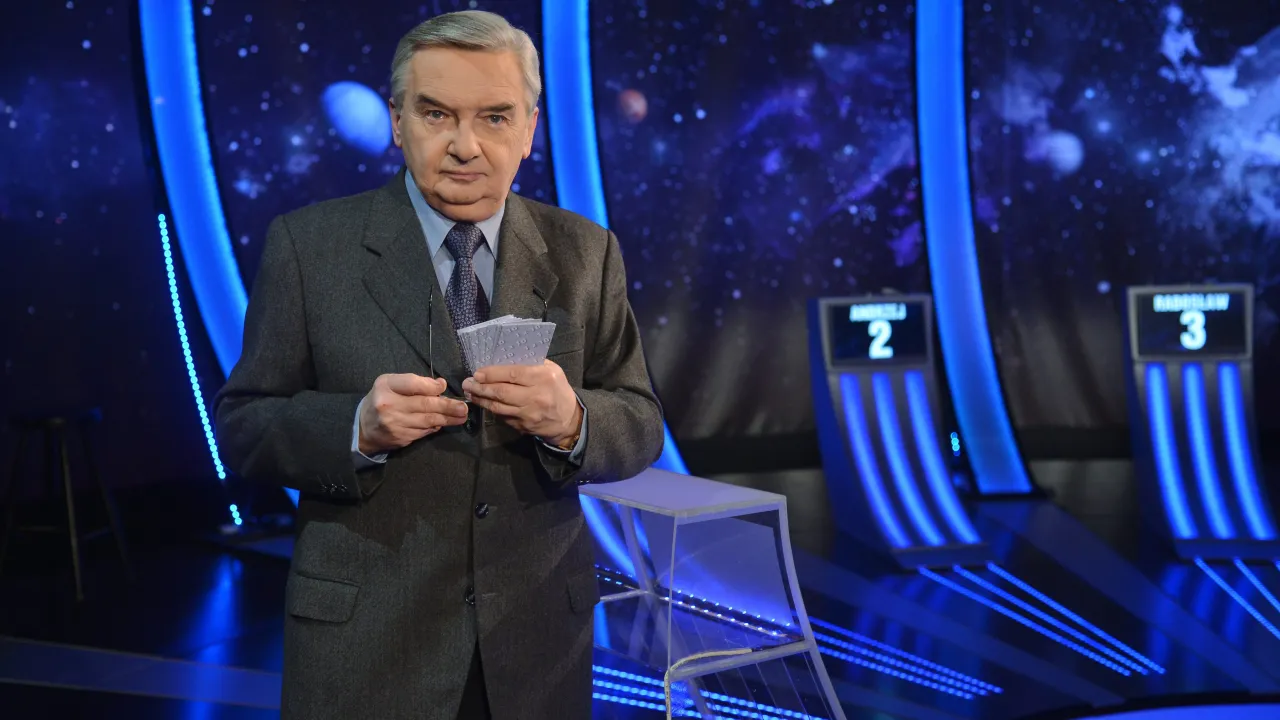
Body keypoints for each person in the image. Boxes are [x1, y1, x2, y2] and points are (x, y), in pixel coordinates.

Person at [213, 10, 664, 719]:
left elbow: (640, 421)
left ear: (530, 128)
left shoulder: (587, 251)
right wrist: (356, 425)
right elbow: (244, 426)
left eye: (494, 117)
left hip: (535, 650)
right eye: (436, 114)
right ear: (397, 122)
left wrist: (572, 420)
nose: (465, 146)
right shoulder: (308, 247)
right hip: (366, 647)